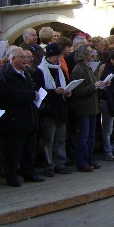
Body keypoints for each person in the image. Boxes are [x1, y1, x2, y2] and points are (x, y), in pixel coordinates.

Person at [0, 46, 45, 185]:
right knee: (13, 150)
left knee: (29, 149)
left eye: (26, 57)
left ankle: (29, 173)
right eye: (22, 57)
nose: (26, 60)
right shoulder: (6, 74)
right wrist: (31, 94)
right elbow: (11, 93)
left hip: (29, 116)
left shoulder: (26, 72)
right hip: (15, 118)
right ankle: (11, 177)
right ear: (13, 59)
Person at [34, 42, 72, 175]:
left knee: (61, 138)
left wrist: (67, 92)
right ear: (49, 56)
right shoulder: (41, 70)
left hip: (61, 107)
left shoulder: (60, 69)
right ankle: (49, 164)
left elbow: (66, 84)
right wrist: (53, 92)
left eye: (58, 56)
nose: (57, 59)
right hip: (49, 109)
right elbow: (39, 91)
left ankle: (60, 163)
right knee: (48, 139)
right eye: (55, 56)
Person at [69, 45, 109, 171]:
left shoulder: (88, 68)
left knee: (91, 135)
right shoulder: (78, 69)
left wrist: (101, 84)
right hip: (84, 108)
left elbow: (93, 85)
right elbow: (77, 91)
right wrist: (94, 86)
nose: (93, 54)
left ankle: (90, 158)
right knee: (84, 136)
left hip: (92, 106)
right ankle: (82, 161)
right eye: (90, 52)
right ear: (85, 55)